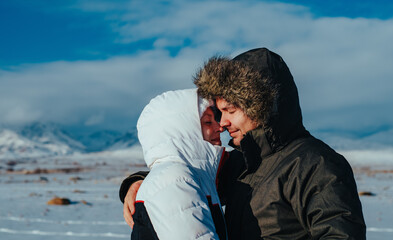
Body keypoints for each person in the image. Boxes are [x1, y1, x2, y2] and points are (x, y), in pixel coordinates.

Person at [120, 48, 366, 239]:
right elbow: (193, 174)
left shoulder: (316, 165)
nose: (223, 122)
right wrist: (140, 181)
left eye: (231, 110)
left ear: (261, 107)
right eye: (218, 113)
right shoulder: (245, 163)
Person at [129, 88, 227, 240]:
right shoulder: (175, 180)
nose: (220, 128)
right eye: (208, 122)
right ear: (183, 131)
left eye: (216, 120)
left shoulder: (189, 177)